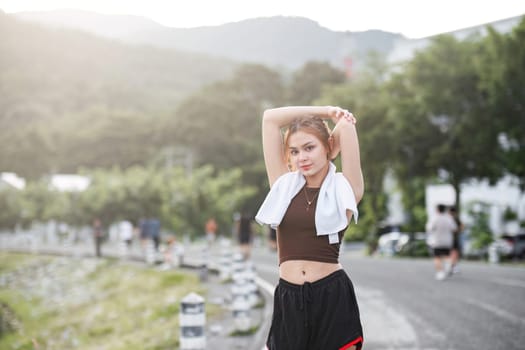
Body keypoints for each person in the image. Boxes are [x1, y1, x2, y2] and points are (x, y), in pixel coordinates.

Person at [255, 106, 364, 350]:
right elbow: (270, 119)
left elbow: (346, 125)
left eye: (309, 148)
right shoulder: (283, 188)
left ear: (328, 147)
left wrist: (335, 123)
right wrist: (325, 111)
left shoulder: (345, 190)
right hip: (289, 298)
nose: (301, 157)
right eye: (294, 151)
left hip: (331, 298)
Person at [425, 204, 458, 280]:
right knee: (447, 256)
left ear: (437, 209)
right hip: (447, 241)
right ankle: (448, 266)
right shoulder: (449, 218)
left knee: (437, 257)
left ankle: (440, 272)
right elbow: (454, 229)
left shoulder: (434, 218)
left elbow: (429, 228)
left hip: (437, 241)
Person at [449, 206, 464, 274]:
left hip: (448, 239)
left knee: (450, 253)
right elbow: (462, 226)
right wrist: (457, 231)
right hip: (454, 238)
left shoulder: (448, 218)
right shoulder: (455, 218)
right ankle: (454, 266)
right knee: (454, 253)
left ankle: (452, 266)